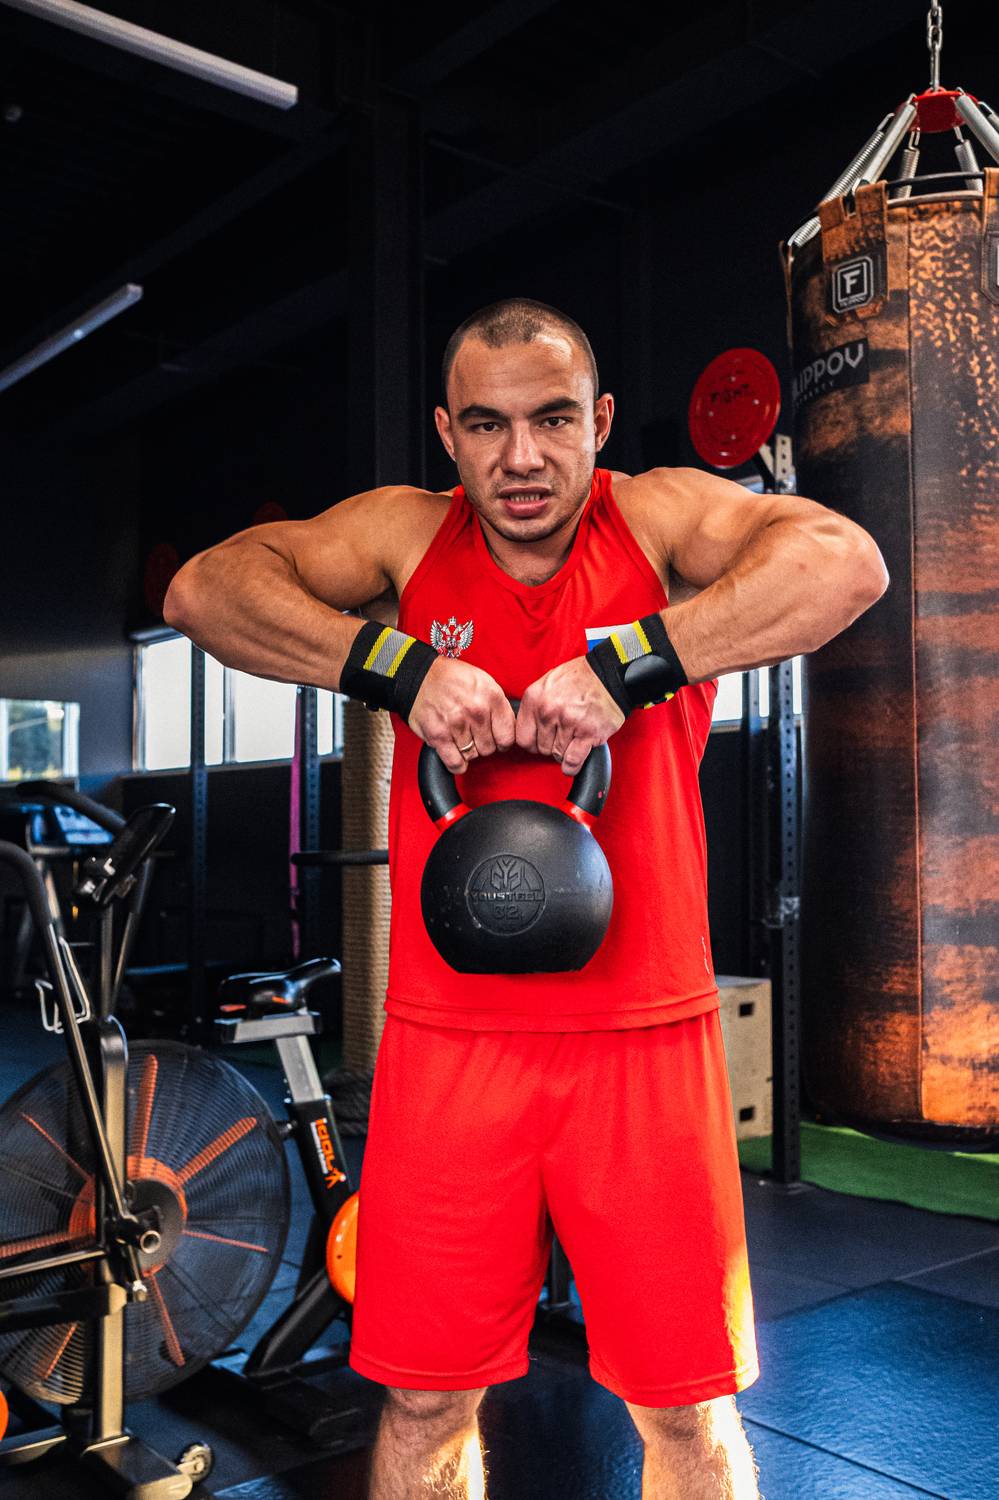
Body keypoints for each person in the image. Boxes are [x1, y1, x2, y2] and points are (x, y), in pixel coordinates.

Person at [164, 297, 888, 1499]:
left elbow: (845, 565)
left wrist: (629, 666)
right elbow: (204, 591)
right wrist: (397, 667)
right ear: (447, 434)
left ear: (598, 422)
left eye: (553, 420)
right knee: (423, 1399)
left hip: (644, 1041)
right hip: (452, 1047)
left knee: (686, 1410)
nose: (522, 457)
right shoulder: (406, 537)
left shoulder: (656, 519)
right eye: (488, 425)